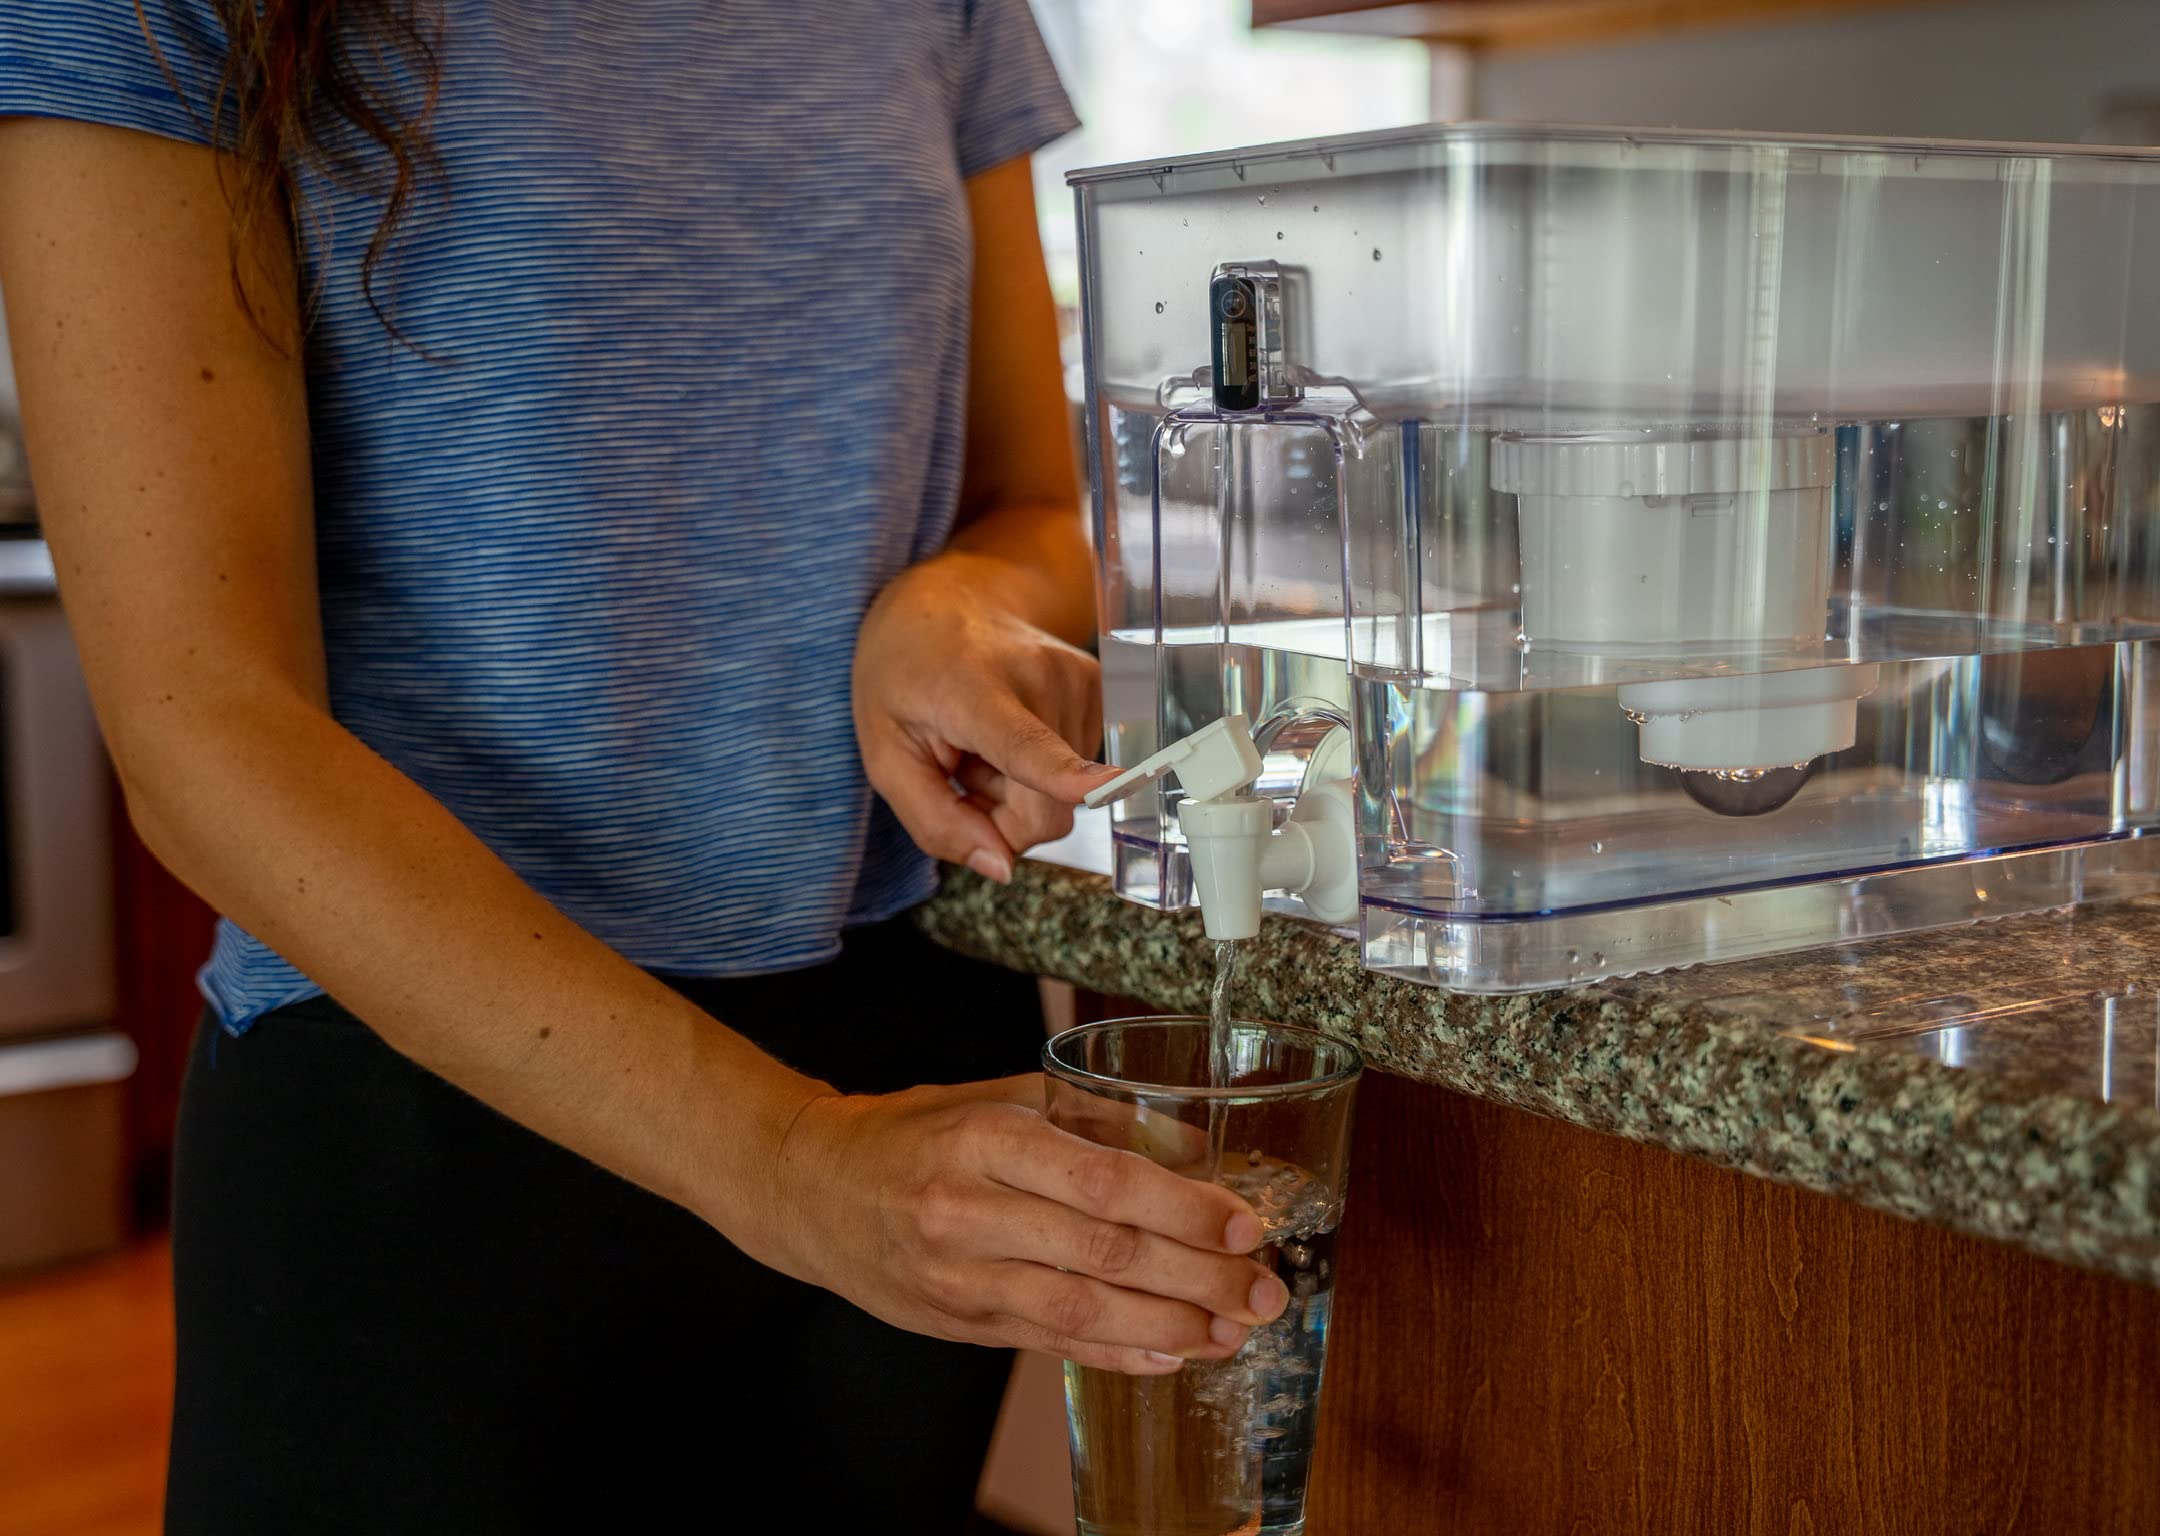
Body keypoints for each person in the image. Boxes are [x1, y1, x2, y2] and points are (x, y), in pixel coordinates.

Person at [0, 1, 1289, 1528]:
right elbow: (204, 726)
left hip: (898, 1033)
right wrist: (792, 1161)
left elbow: (1033, 505)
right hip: (427, 1114)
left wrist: (950, 605)